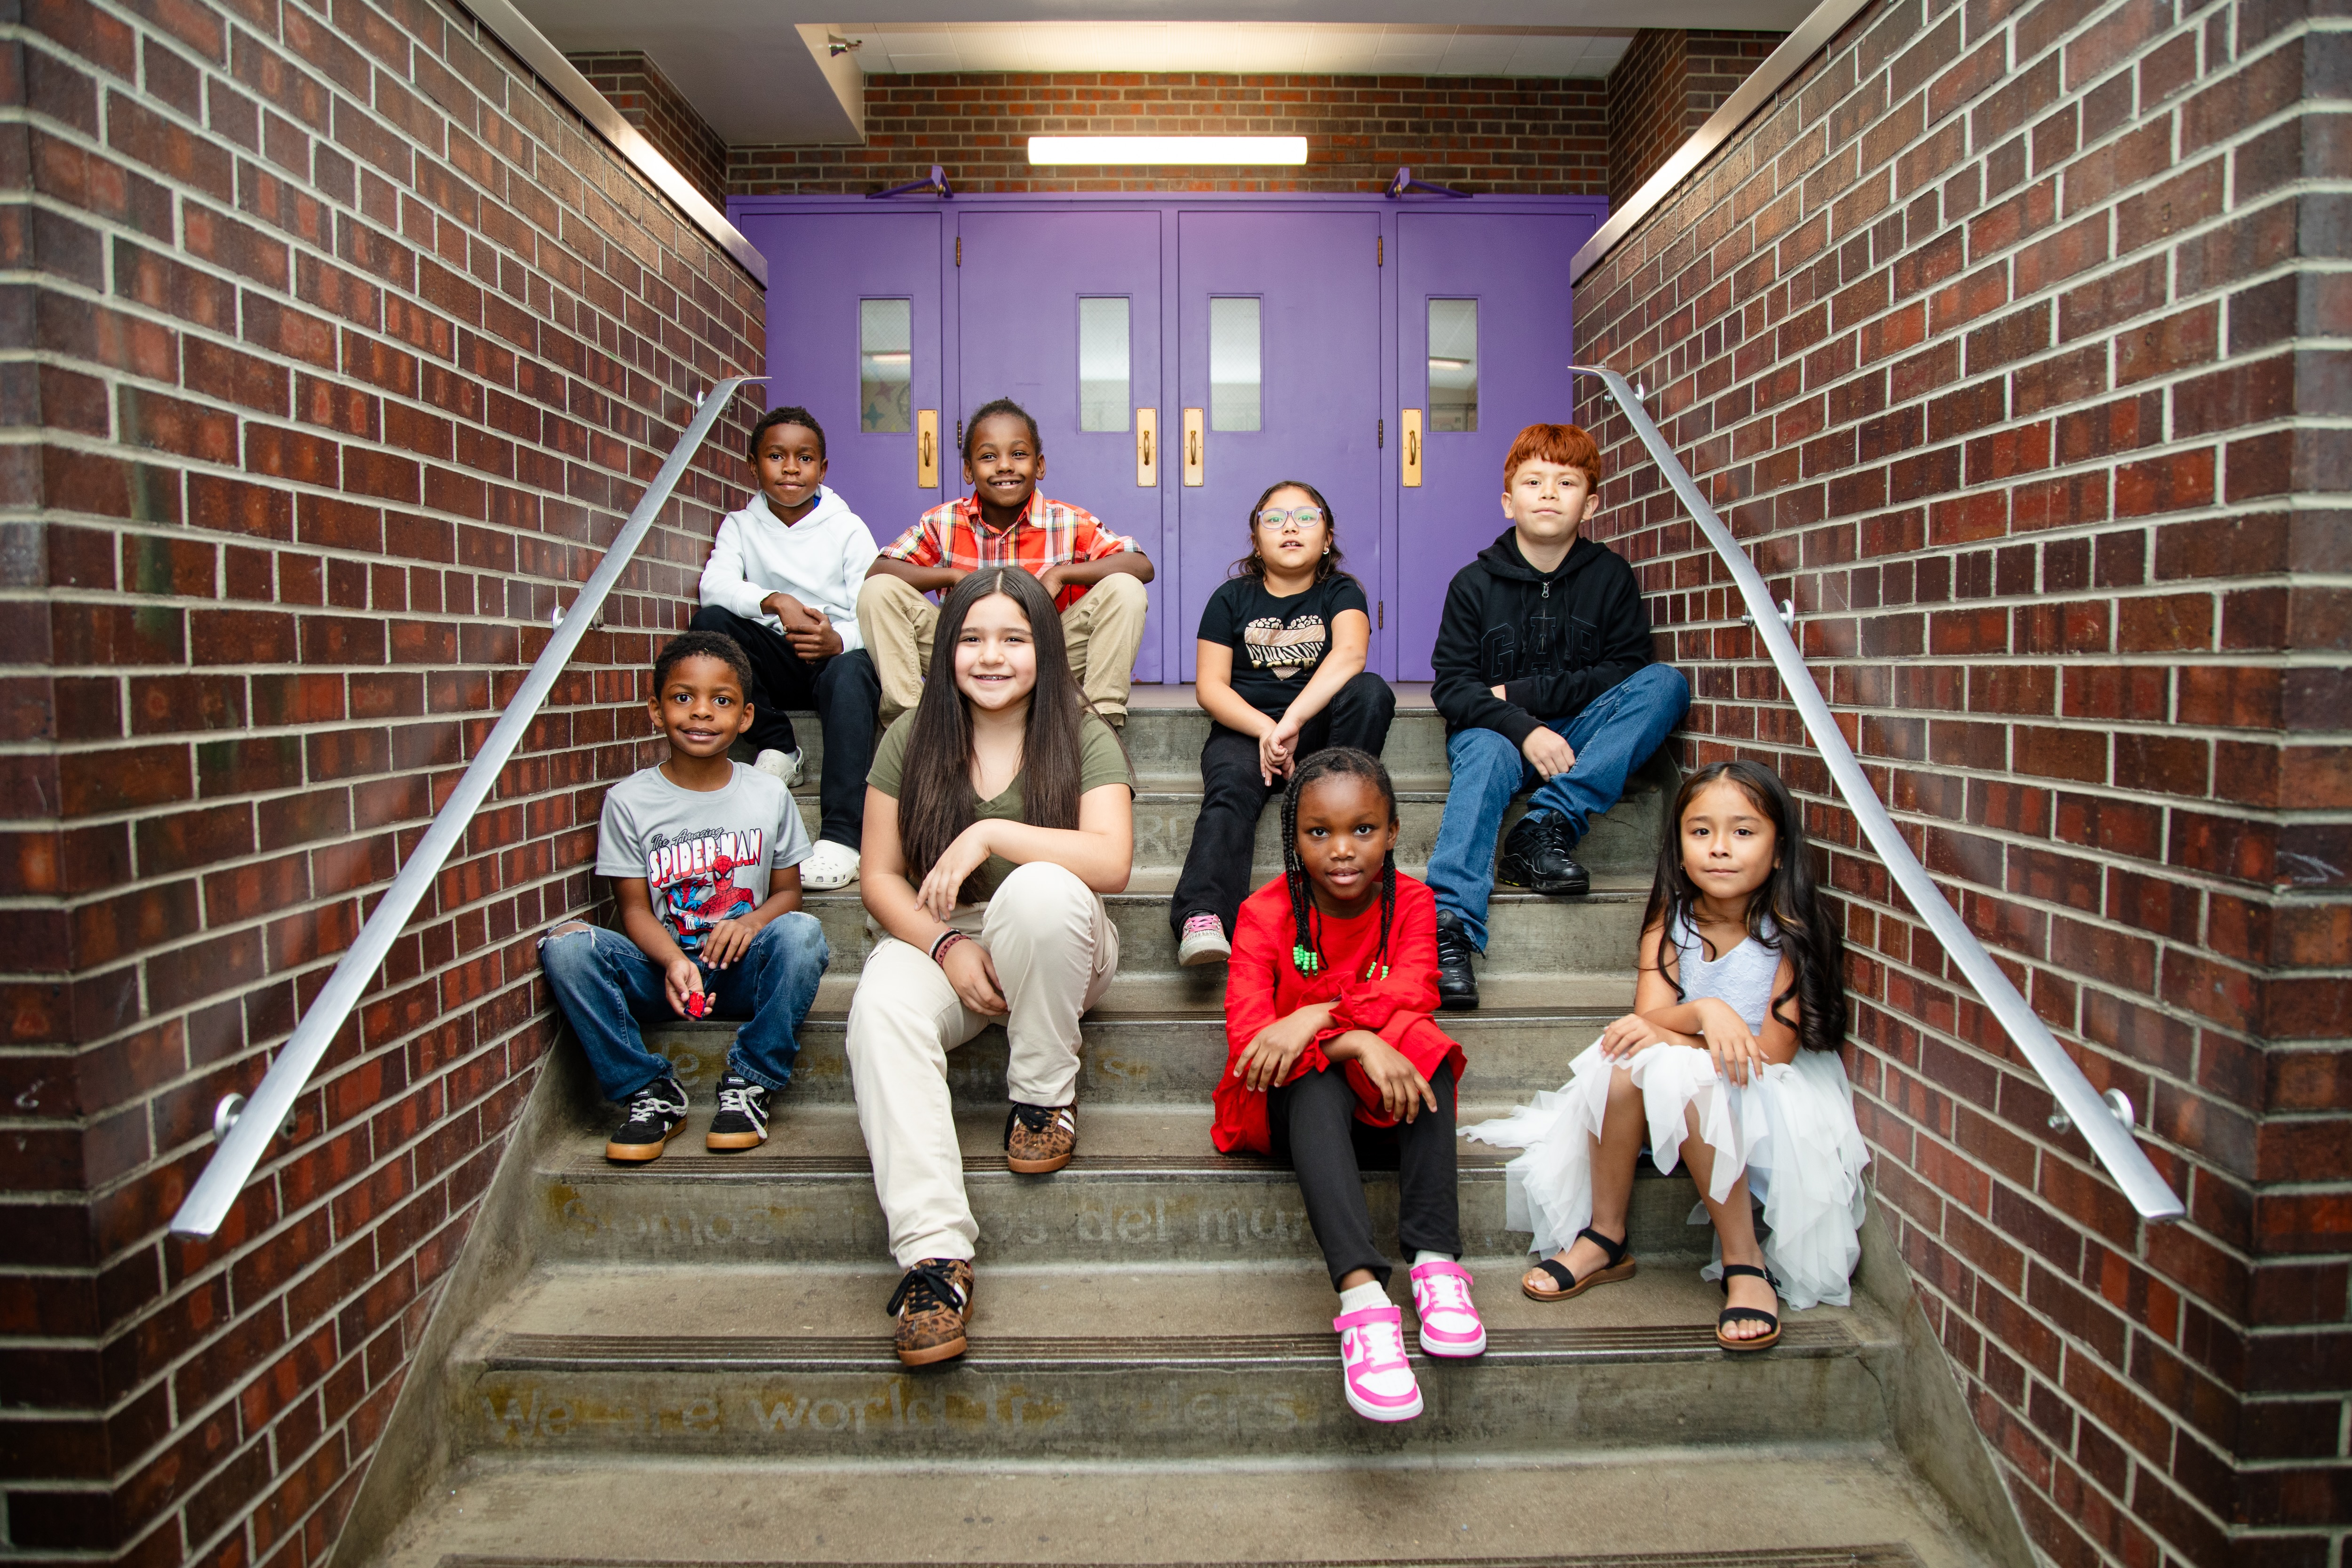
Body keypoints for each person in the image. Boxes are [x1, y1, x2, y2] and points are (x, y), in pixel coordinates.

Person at [1461, 760, 1869, 1352]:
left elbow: (1771, 1054)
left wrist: (1697, 1030)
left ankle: (1744, 1260)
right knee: (1619, 1059)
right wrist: (1707, 1012)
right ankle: (1605, 1236)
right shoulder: (1671, 920)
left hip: (1769, 1091)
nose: (1719, 849)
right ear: (1678, 850)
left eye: (1743, 832)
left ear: (1779, 851)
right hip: (1695, 1066)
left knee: (1684, 1072)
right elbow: (1644, 1024)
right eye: (1700, 832)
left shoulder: (1790, 931)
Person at [844, 567, 1136, 1367]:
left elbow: (1111, 862)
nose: (991, 655)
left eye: (1013, 637)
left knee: (1038, 891)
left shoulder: (1083, 733)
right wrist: (944, 945)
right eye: (971, 637)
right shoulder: (911, 735)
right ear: (946, 650)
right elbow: (879, 877)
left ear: (1044, 646)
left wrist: (988, 837)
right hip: (947, 939)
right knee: (878, 1005)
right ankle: (934, 1257)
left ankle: (1043, 1098)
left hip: (1061, 939)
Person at [1213, 748, 1483, 1424]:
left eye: (1363, 829)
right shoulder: (1262, 914)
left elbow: (1414, 992)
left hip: (1382, 1099)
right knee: (1316, 1076)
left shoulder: (1416, 903)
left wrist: (1311, 1016)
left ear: (1394, 833)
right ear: (1293, 836)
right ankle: (1364, 1300)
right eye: (1318, 832)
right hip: (1287, 1106)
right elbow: (1253, 1047)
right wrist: (1356, 1035)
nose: (1341, 850)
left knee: (1426, 1044)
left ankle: (1435, 1261)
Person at [1426, 422, 1691, 1010]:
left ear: (1589, 502)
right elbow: (1454, 686)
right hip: (1494, 737)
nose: (1548, 493)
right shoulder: (1472, 585)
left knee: (1664, 684)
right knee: (1486, 752)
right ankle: (1449, 926)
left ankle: (1546, 826)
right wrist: (1523, 728)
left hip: (1582, 735)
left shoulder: (1610, 577)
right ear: (1507, 500)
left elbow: (1625, 671)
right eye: (1533, 480)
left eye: (1566, 481)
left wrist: (1520, 694)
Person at [539, 630, 829, 1163]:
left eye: (720, 701)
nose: (701, 713)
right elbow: (632, 910)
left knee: (803, 937)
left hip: (742, 971)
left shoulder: (768, 794)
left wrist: (749, 924)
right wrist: (673, 961)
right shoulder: (628, 801)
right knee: (566, 947)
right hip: (663, 974)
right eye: (682, 698)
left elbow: (790, 895)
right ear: (655, 710)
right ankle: (648, 1092)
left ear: (745, 717)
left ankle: (750, 1084)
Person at [1171, 480, 1395, 967]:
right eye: (1273, 519)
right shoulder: (1230, 598)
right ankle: (1203, 914)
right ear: (1255, 539)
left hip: (1315, 731)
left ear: (1327, 537)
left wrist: (1291, 721)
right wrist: (1265, 731)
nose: (1289, 526)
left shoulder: (1340, 592)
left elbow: (1351, 654)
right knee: (1230, 787)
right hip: (1244, 731)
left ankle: (1329, 809)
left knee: (1371, 692)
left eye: (1305, 516)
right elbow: (1210, 688)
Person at [857, 397, 1154, 728]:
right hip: (965, 659)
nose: (1004, 466)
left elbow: (1140, 565)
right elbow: (879, 570)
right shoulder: (944, 522)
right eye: (988, 457)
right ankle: (909, 727)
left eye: (1018, 454)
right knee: (879, 591)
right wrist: (954, 576)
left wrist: (1061, 574)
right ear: (969, 470)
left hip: (1049, 661)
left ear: (1039, 465)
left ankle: (1100, 723)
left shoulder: (1069, 523)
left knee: (1125, 588)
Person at [691, 406, 882, 891]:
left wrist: (837, 639)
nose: (791, 468)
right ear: (754, 467)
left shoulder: (847, 529)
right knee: (711, 625)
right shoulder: (740, 525)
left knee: (852, 671)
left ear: (822, 468)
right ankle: (778, 743)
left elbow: (877, 608)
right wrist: (774, 601)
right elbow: (714, 586)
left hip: (832, 658)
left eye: (805, 458)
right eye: (776, 456)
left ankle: (841, 837)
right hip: (774, 659)